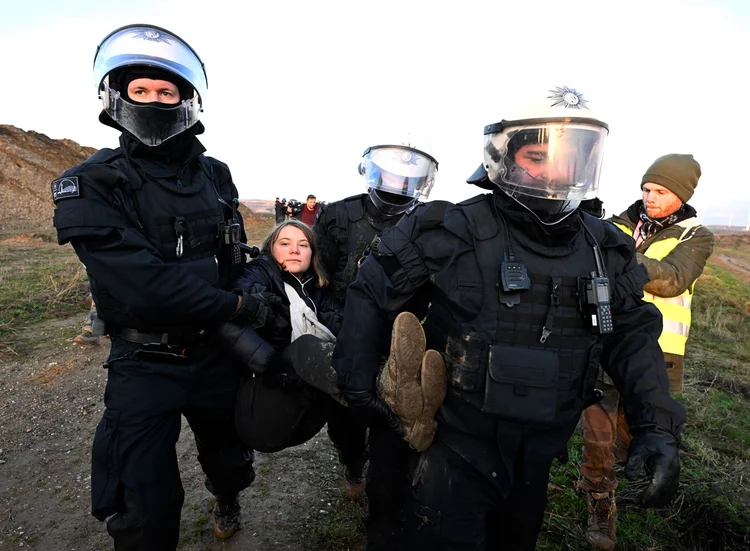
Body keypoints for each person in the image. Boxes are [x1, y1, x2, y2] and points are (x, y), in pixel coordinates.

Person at [331, 86, 686, 550]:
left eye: (573, 157)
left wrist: (656, 428)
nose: (559, 169)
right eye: (540, 156)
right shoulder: (449, 228)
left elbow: (633, 336)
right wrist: (358, 383)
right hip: (453, 448)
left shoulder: (605, 248)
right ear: (504, 157)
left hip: (539, 452)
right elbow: (372, 293)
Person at [50, 24, 268, 550]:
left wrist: (254, 286)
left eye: (166, 91)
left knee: (229, 454)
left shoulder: (216, 175)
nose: (153, 100)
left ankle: (227, 495)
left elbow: (234, 251)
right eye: (140, 90)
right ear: (115, 96)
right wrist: (238, 304)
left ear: (186, 100)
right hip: (143, 359)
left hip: (217, 351)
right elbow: (141, 282)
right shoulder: (92, 181)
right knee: (142, 498)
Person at [580, 153, 714, 550]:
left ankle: (637, 466)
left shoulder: (696, 235)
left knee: (633, 437)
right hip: (606, 344)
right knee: (597, 438)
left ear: (682, 194)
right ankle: (601, 507)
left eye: (660, 191)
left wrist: (613, 256)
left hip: (659, 356)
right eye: (646, 188)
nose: (650, 196)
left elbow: (672, 279)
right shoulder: (616, 224)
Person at [314, 139, 440, 549]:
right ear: (373, 172)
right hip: (344, 331)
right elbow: (321, 278)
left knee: (395, 427)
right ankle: (353, 462)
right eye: (392, 172)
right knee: (347, 419)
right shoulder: (338, 215)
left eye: (410, 176)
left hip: (401, 340)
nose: (399, 183)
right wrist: (342, 324)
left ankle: (391, 504)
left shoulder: (428, 224)